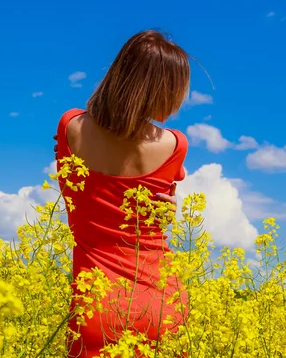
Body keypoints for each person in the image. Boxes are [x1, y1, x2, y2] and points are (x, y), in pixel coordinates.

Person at [53, 30, 190, 357]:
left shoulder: (71, 127)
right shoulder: (174, 144)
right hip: (161, 305)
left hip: (95, 308)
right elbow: (160, 198)